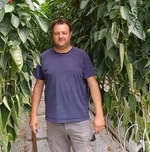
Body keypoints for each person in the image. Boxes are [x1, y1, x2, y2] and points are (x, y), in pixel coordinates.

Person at [30, 19, 105, 152]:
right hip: (54, 121)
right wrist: (33, 115)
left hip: (79, 120)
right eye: (57, 33)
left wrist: (99, 114)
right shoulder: (44, 57)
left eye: (64, 33)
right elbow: (38, 87)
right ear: (53, 35)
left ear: (70, 34)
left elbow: (93, 85)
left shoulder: (81, 56)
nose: (61, 36)